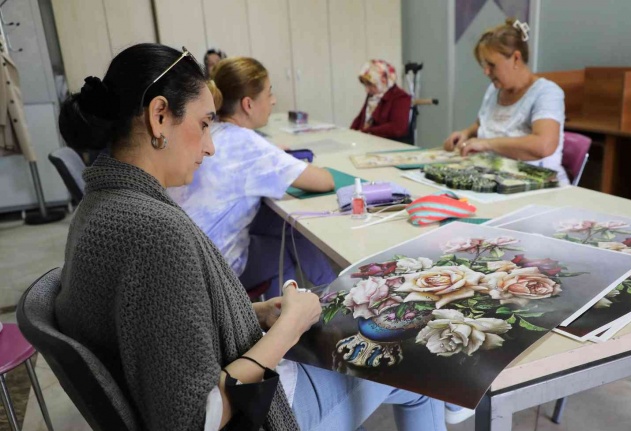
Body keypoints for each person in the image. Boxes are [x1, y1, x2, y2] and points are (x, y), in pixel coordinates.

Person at [55, 43, 448, 431]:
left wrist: (255, 313)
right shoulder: (156, 234)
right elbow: (195, 419)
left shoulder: (104, 205)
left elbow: (166, 325)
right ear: (159, 116)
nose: (210, 147)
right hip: (262, 412)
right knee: (417, 367)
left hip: (217, 370)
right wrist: (289, 327)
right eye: (204, 124)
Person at [168, 56, 337, 299]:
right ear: (248, 104)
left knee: (279, 223)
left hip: (185, 260)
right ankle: (324, 306)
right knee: (288, 242)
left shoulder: (210, 130)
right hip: (212, 272)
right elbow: (324, 181)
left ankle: (320, 305)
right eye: (269, 94)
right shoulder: (247, 144)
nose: (274, 101)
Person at [443, 19, 568, 185]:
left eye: (491, 65)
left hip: (536, 185)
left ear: (516, 58)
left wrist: (487, 144)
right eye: (483, 65)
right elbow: (483, 124)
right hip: (494, 178)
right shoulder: (494, 90)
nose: (486, 71)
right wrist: (465, 133)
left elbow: (544, 145)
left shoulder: (546, 93)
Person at [351, 59, 412, 141]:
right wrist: (350, 134)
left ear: (383, 80)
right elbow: (361, 118)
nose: (367, 90)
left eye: (370, 85)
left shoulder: (400, 97)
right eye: (365, 85)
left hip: (389, 146)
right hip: (369, 141)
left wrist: (367, 132)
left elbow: (398, 128)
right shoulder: (373, 94)